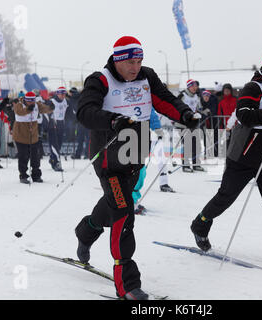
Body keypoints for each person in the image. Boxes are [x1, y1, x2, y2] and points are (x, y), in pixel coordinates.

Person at [74, 36, 199, 300]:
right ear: (118, 60)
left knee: (113, 204)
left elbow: (164, 100)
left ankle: (86, 231)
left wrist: (185, 115)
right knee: (123, 212)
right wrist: (113, 120)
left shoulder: (147, 76)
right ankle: (127, 284)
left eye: (139, 60)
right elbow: (85, 112)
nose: (135, 66)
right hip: (109, 159)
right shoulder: (100, 80)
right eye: (130, 61)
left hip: (135, 154)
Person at [190, 51, 262, 267]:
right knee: (226, 198)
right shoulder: (254, 87)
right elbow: (244, 115)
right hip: (244, 155)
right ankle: (200, 224)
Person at [12, 91, 55, 184]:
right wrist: (28, 109)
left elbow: (44, 108)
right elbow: (20, 112)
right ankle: (23, 175)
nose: (31, 102)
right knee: (23, 156)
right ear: (25, 100)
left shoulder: (36, 104)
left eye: (33, 100)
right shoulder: (19, 105)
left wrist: (50, 108)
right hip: (21, 135)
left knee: (35, 157)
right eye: (29, 101)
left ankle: (36, 175)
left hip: (33, 135)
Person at [177, 79, 205, 172]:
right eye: (193, 86)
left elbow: (198, 108)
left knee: (196, 145)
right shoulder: (182, 95)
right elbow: (176, 108)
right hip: (183, 124)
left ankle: (196, 164)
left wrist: (203, 112)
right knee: (187, 145)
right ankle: (185, 165)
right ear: (188, 86)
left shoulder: (197, 97)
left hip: (193, 124)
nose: (195, 88)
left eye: (196, 86)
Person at [47, 87, 69, 172]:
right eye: (61, 94)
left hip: (61, 124)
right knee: (54, 144)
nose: (63, 95)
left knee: (59, 144)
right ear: (57, 94)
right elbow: (46, 112)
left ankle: (52, 158)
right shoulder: (52, 101)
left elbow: (69, 112)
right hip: (53, 124)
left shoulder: (66, 101)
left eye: (64, 94)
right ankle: (55, 162)